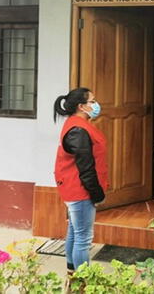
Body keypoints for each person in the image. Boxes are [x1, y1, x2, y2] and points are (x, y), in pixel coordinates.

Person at [53, 87, 109, 285]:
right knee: (83, 239)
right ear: (81, 106)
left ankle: (72, 275)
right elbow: (85, 166)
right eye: (92, 101)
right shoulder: (78, 129)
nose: (96, 104)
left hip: (72, 187)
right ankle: (83, 283)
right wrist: (97, 194)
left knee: (75, 232)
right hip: (80, 190)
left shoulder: (77, 124)